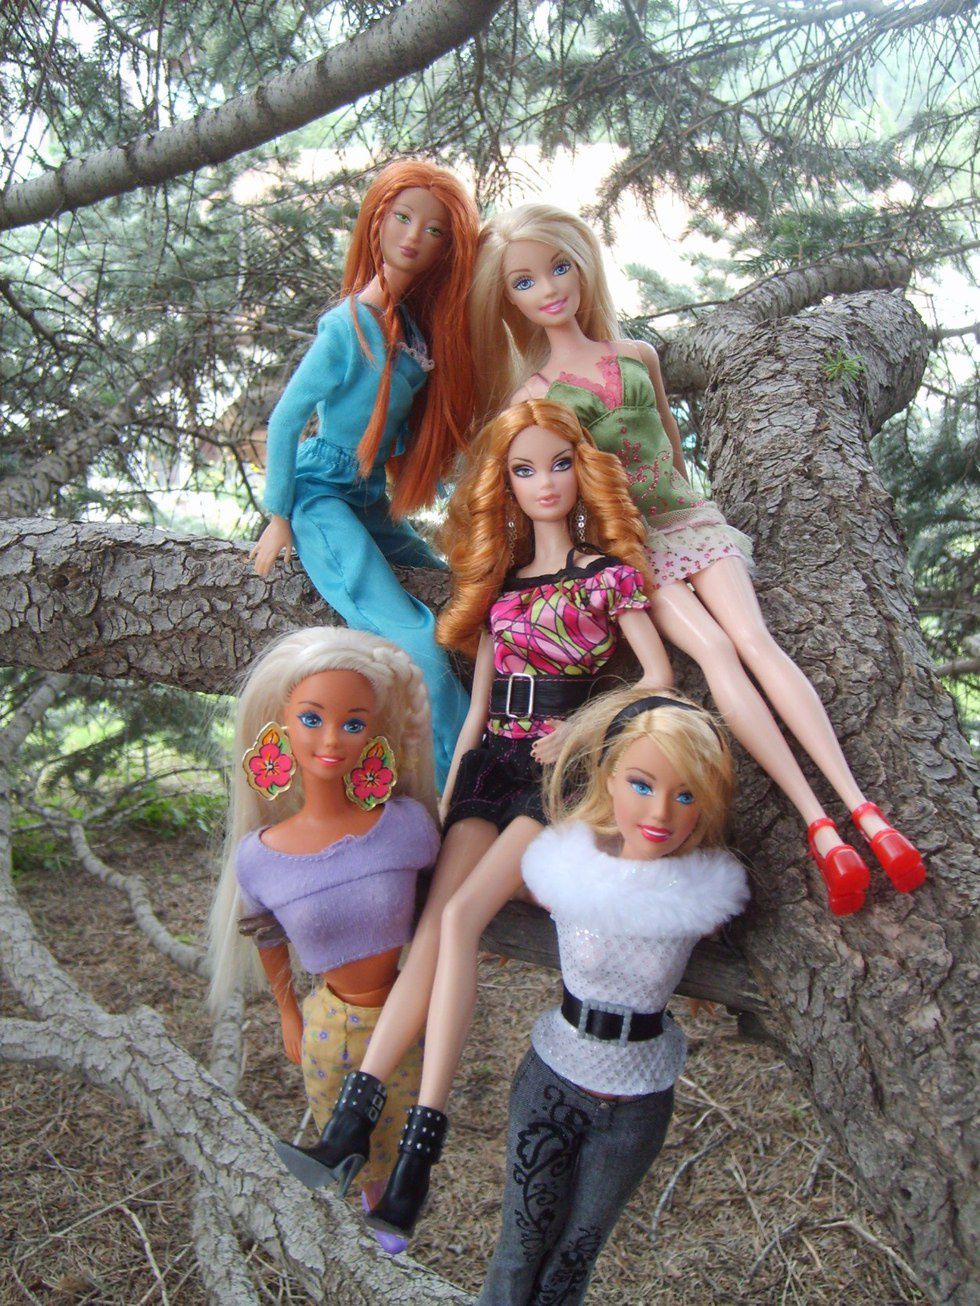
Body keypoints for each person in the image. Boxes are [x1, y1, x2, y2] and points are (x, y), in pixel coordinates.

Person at [275, 398, 675, 1238]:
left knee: (461, 921)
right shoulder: (501, 590)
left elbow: (656, 678)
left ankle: (419, 1157)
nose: (544, 483)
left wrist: (583, 731)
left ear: (582, 470)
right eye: (525, 470)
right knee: (433, 924)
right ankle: (349, 1128)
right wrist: (449, 794)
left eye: (557, 464)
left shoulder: (607, 576)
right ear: (506, 485)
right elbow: (477, 716)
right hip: (491, 763)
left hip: (556, 773)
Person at [468, 203, 926, 915]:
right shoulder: (536, 396)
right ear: (509, 302)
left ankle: (863, 810)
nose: (549, 289)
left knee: (754, 641)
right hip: (634, 544)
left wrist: (694, 510)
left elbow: (675, 457)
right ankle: (819, 822)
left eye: (560, 268)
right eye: (525, 282)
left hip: (691, 518)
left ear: (584, 267)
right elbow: (556, 485)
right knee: (714, 652)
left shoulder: (637, 356)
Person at [479, 687, 749, 1304]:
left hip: (639, 1098)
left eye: (687, 795)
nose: (661, 812)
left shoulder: (700, 897)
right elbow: (496, 889)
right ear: (609, 779)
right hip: (554, 1078)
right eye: (641, 785)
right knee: (521, 1243)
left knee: (577, 1252)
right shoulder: (567, 869)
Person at [207, 627, 440, 1250]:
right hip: (329, 1027)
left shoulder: (406, 827)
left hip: (410, 1014)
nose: (332, 740)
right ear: (280, 725)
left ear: (374, 733)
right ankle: (370, 1207)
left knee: (402, 1129)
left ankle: (393, 1207)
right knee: (349, 1144)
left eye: (352, 724)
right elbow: (266, 936)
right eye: (312, 719)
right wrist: (287, 1011)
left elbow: (448, 902)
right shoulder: (261, 857)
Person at [248, 160, 480, 787]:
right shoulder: (346, 328)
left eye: (434, 230)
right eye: (402, 218)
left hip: (370, 496)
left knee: (452, 586)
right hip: (320, 496)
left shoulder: (417, 335)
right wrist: (279, 514)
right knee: (413, 638)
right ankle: (461, 783)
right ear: (377, 223)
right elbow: (286, 419)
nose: (414, 237)